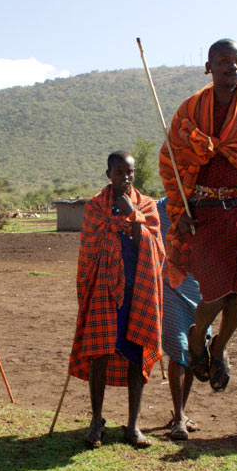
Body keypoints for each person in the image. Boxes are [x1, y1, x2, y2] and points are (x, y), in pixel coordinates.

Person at [159, 38, 237, 393]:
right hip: (206, 216)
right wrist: (180, 211)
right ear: (209, 67)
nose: (233, 66)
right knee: (213, 293)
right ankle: (198, 338)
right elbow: (173, 161)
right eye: (225, 61)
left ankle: (219, 347)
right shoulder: (190, 110)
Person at [68, 152, 164, 448]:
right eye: (119, 172)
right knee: (100, 353)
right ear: (108, 173)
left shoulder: (146, 205)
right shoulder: (96, 207)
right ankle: (97, 420)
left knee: (136, 353)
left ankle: (133, 425)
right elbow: (89, 249)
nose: (125, 177)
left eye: (130, 172)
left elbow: (154, 247)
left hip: (138, 290)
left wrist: (132, 213)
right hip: (103, 290)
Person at [156, 196, 211, 441]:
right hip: (171, 284)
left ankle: (182, 411)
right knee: (178, 348)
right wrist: (176, 222)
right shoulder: (162, 207)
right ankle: (178, 417)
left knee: (194, 350)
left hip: (202, 288)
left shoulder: (209, 207)